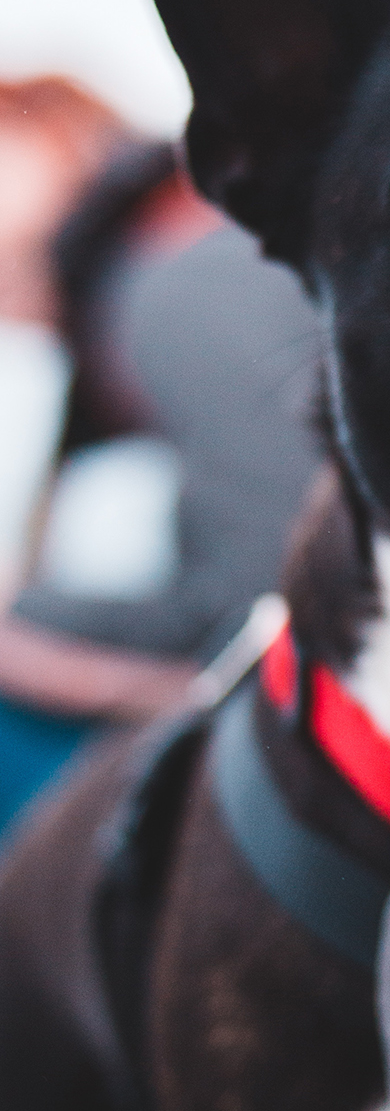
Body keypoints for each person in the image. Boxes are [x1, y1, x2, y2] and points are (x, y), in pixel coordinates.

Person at [0, 78, 322, 837]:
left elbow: (271, 604)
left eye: (19, 262)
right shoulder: (213, 270)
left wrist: (31, 625)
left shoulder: (180, 279)